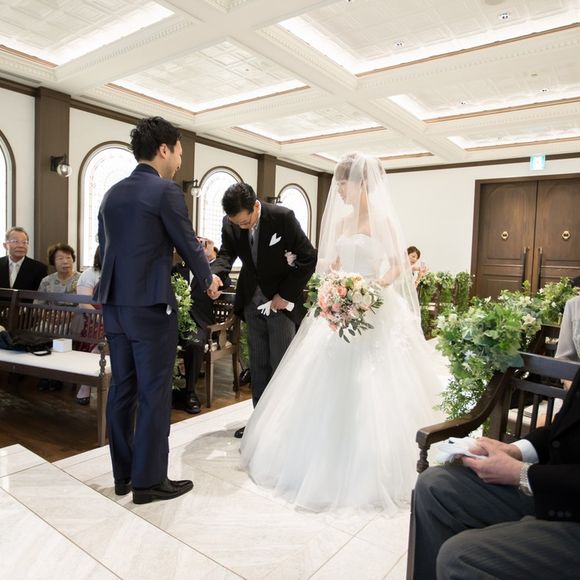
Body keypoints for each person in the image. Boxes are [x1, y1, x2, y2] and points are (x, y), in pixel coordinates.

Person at [239, 153, 444, 512]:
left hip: (374, 306)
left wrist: (371, 290)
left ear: (362, 183)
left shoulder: (383, 220)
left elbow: (397, 266)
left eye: (343, 185)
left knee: (377, 383)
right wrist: (335, 287)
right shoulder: (342, 221)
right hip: (339, 307)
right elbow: (333, 263)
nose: (339, 192)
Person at [96, 116, 220, 505]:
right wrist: (209, 278)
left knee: (123, 389)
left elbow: (104, 248)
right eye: (179, 152)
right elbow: (186, 242)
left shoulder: (111, 194)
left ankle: (123, 475)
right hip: (150, 306)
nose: (180, 161)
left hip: (114, 305)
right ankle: (149, 482)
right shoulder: (165, 191)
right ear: (163, 149)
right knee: (154, 392)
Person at [411, 367, 580, 580]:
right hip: (555, 489)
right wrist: (514, 450)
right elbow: (563, 429)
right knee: (435, 484)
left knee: (459, 556)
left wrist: (521, 473)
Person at [210, 183, 317, 438]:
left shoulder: (282, 217)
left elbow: (308, 257)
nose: (241, 227)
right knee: (258, 365)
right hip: (251, 302)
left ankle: (283, 426)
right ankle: (259, 423)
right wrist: (214, 276)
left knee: (280, 365)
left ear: (256, 206)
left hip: (280, 304)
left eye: (245, 222)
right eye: (236, 223)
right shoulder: (231, 223)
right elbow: (226, 255)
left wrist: (285, 294)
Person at [174, 237, 229, 414]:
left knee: (195, 344)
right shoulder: (176, 269)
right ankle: (165, 390)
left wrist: (210, 256)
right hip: (174, 322)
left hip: (199, 323)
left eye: (200, 244)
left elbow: (226, 282)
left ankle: (190, 392)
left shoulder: (209, 271)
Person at [74, 247, 103, 405]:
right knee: (102, 339)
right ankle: (85, 386)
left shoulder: (124, 271)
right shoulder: (90, 274)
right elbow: (84, 304)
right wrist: (103, 319)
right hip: (95, 319)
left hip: (119, 319)